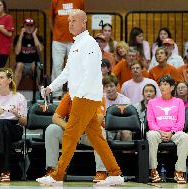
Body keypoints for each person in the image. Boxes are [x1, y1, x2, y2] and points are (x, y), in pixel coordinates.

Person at [37, 9, 124, 186]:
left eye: (74, 21)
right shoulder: (76, 44)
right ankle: (115, 173)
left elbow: (91, 73)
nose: (70, 24)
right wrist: (50, 88)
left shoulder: (89, 43)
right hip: (82, 96)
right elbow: (67, 72)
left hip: (86, 97)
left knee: (70, 134)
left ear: (84, 23)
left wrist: (79, 95)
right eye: (69, 21)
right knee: (96, 137)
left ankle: (58, 176)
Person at [44, 92, 107, 182]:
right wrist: (69, 127)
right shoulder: (69, 95)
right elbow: (55, 118)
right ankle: (53, 170)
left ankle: (101, 172)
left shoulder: (97, 94)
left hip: (88, 134)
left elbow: (99, 117)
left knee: (101, 131)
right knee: (51, 129)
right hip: (70, 133)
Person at [146, 75, 188, 184]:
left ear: (172, 87)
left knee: (185, 136)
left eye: (165, 84)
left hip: (173, 132)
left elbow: (181, 122)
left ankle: (179, 171)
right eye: (160, 84)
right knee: (150, 135)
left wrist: (172, 132)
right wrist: (160, 131)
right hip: (158, 132)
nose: (162, 87)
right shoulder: (152, 102)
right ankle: (153, 170)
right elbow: (151, 122)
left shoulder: (179, 102)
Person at [50, 0, 85, 98]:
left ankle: (73, 92)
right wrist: (55, 33)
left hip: (75, 40)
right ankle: (56, 93)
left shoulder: (79, 1)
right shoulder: (55, 1)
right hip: (58, 40)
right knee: (57, 66)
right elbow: (51, 19)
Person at [14, 18, 44, 88]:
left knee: (35, 65)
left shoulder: (38, 37)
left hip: (33, 64)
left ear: (34, 27)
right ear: (24, 27)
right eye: (27, 25)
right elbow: (17, 51)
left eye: (31, 26)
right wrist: (21, 35)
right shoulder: (18, 37)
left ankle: (41, 92)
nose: (29, 28)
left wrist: (34, 35)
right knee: (19, 65)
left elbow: (40, 49)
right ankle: (13, 91)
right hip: (22, 65)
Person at [103, 74, 132, 141]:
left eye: (111, 86)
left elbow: (128, 120)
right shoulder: (100, 99)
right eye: (106, 86)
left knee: (126, 132)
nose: (109, 89)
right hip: (105, 127)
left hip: (121, 127)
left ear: (117, 86)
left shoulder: (125, 100)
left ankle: (126, 151)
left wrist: (119, 129)